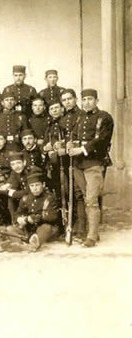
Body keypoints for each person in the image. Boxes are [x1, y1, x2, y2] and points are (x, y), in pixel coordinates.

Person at [67, 89, 113, 247]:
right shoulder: (79, 117)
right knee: (84, 198)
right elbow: (73, 135)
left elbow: (101, 140)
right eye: (84, 99)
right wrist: (69, 144)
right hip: (78, 164)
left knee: (92, 201)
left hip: (94, 163)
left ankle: (92, 236)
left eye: (90, 99)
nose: (86, 102)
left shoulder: (104, 117)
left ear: (96, 100)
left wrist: (81, 149)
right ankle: (90, 232)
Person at [6, 169, 59, 251]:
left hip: (45, 229)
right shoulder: (26, 198)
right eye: (32, 186)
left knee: (46, 228)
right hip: (30, 230)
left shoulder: (49, 198)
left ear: (43, 185)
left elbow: (52, 216)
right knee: (10, 229)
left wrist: (34, 218)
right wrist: (20, 219)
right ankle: (20, 245)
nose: (35, 188)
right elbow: (18, 213)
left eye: (37, 185)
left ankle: (32, 244)